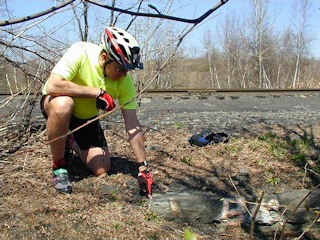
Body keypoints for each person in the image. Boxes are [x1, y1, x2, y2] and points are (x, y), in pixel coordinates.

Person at [40, 26, 153, 198]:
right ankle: (59, 165)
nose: (123, 75)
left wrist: (143, 166)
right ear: (104, 57)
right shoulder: (81, 51)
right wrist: (96, 92)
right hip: (55, 105)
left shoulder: (125, 81)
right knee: (64, 104)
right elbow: (53, 85)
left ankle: (69, 140)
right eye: (120, 68)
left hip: (84, 118)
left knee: (101, 168)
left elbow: (132, 125)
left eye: (127, 70)